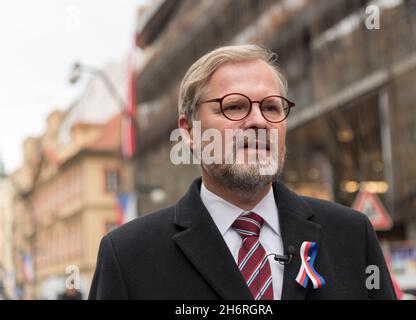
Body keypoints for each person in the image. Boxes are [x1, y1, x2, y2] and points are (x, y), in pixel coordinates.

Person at [88, 44, 396, 300]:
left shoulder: (352, 236)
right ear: (189, 131)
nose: (258, 122)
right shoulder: (128, 256)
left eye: (272, 108)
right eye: (234, 107)